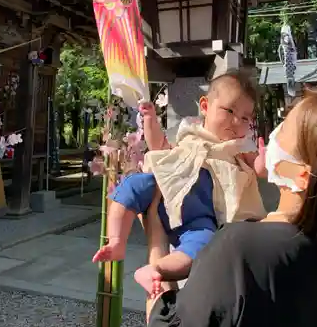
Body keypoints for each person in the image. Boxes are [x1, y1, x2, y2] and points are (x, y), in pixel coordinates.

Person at [146, 86, 317, 327]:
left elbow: (167, 321)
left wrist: (156, 241)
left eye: (283, 129)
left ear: (302, 176)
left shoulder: (239, 249)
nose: (272, 135)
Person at [93, 70, 266, 296]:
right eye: (230, 111)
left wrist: (264, 159)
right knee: (133, 185)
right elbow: (161, 149)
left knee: (202, 245)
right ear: (205, 106)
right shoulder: (190, 133)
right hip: (168, 189)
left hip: (201, 216)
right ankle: (117, 241)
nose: (236, 121)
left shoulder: (240, 147)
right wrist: (149, 120)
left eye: (245, 118)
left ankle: (157, 270)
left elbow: (259, 169)